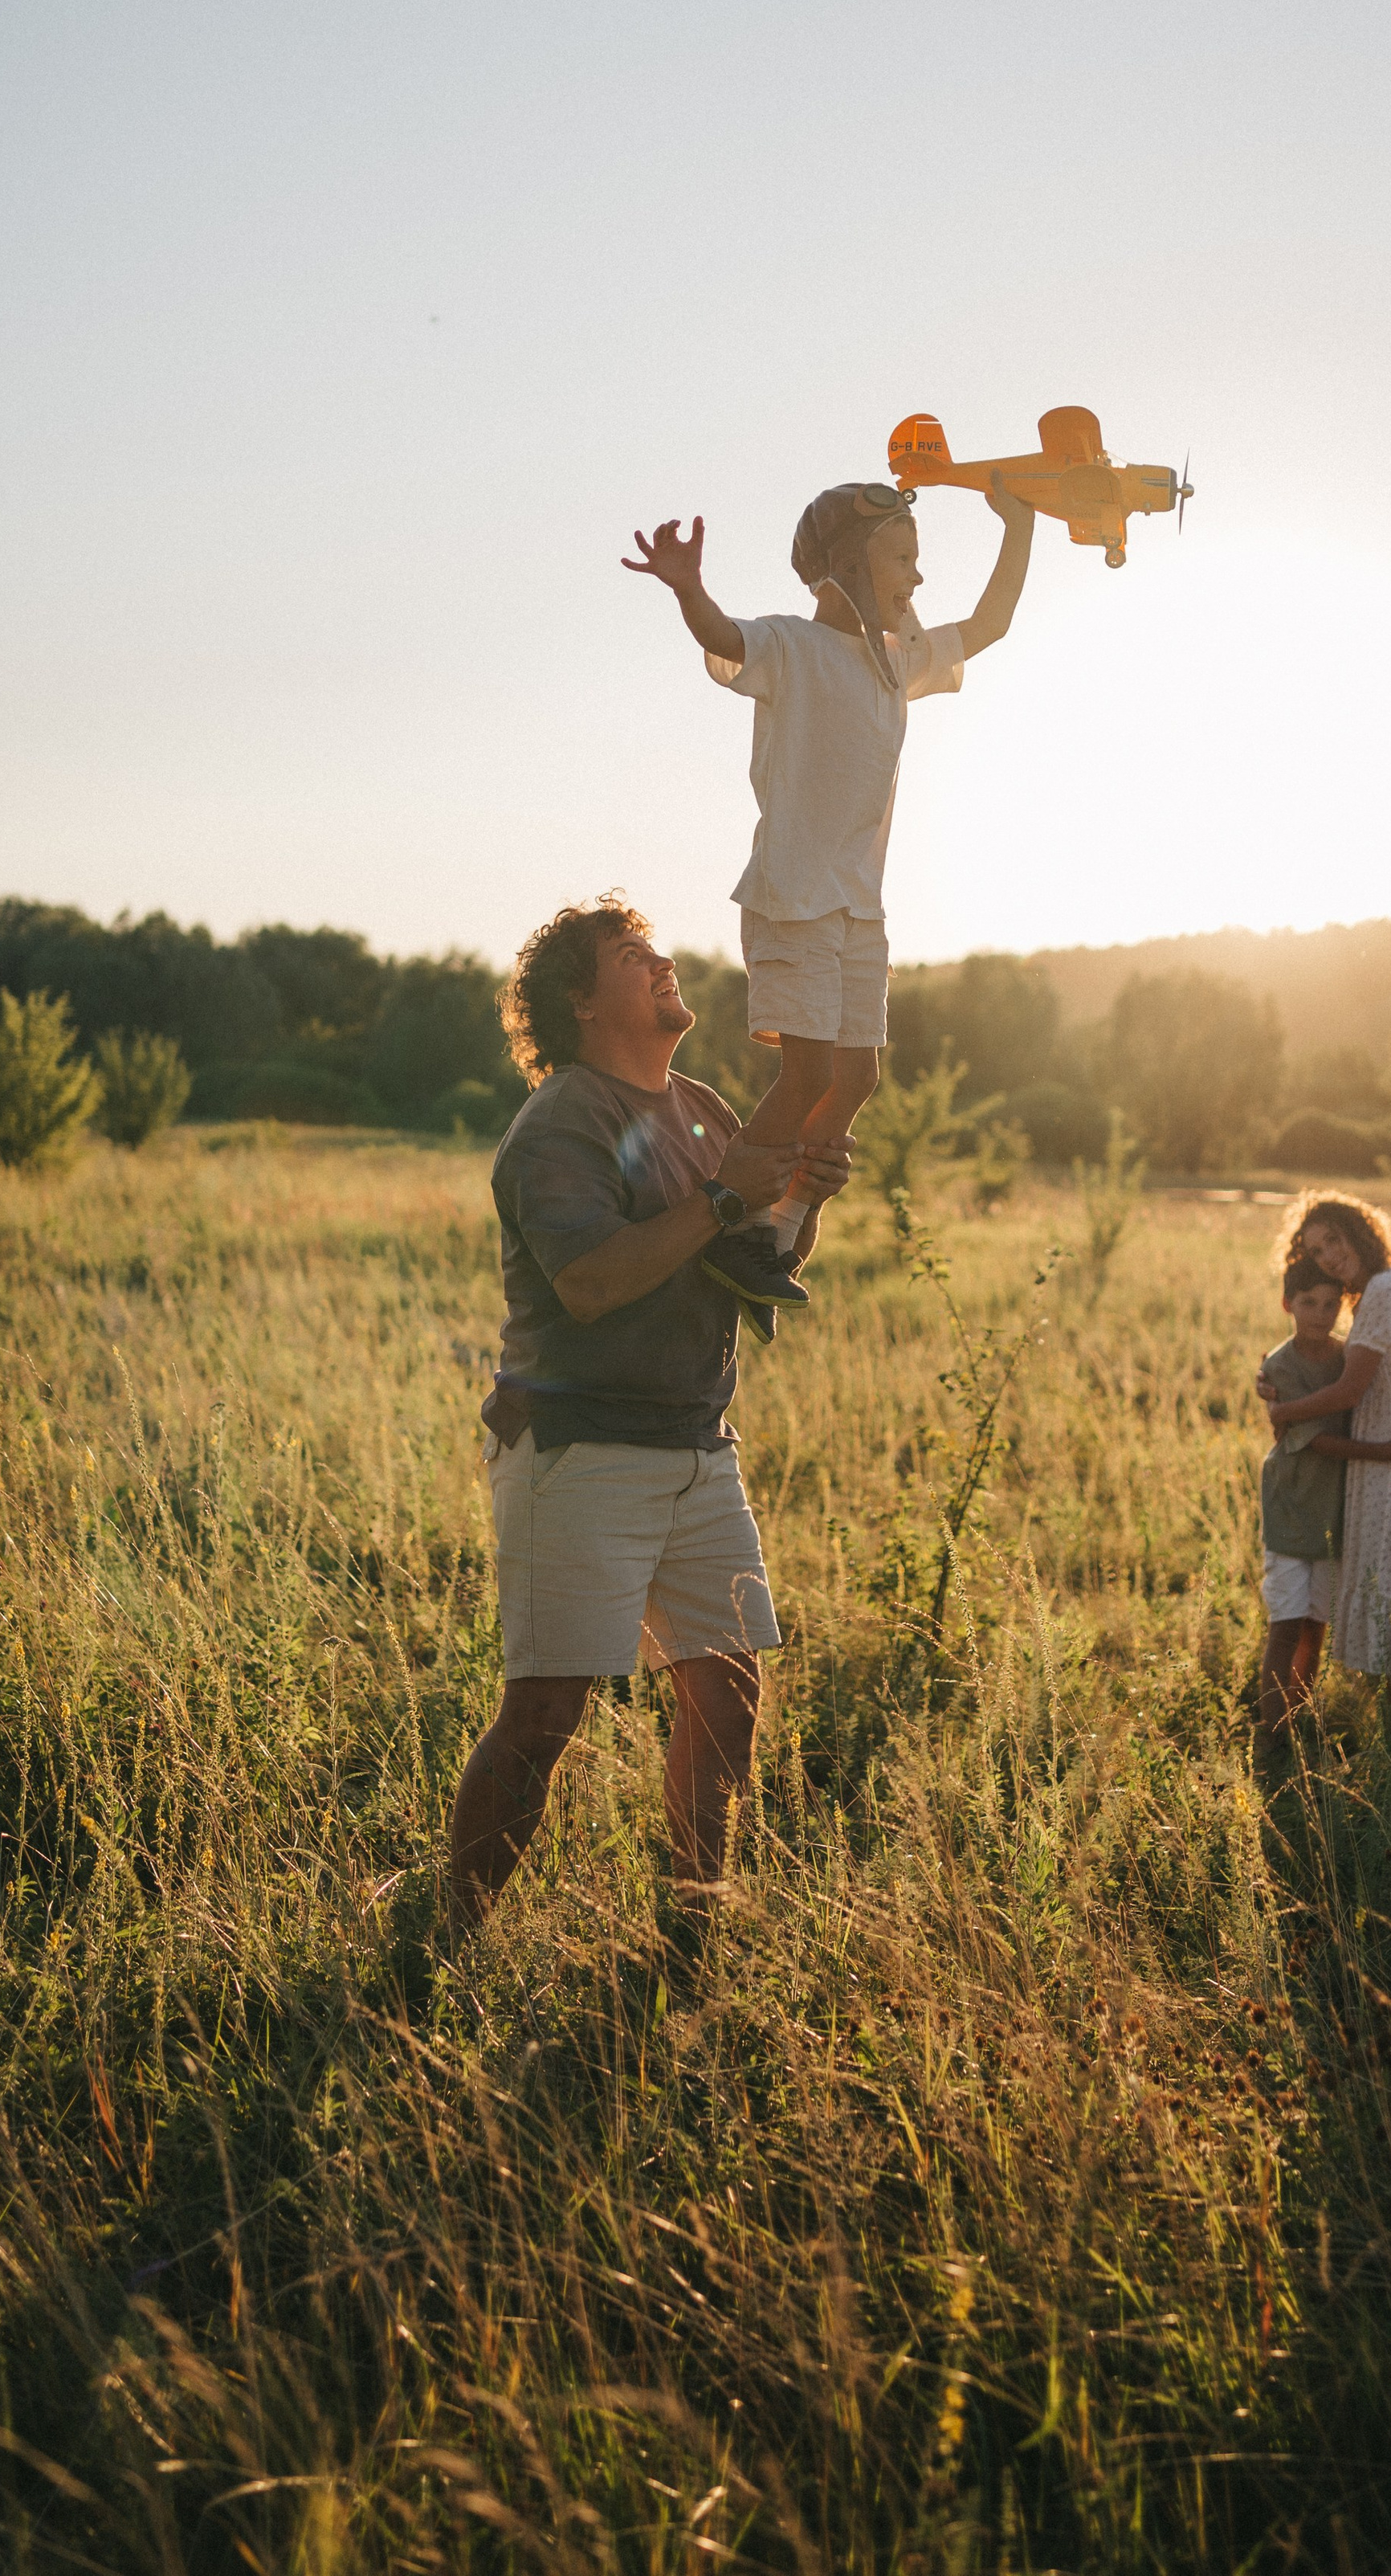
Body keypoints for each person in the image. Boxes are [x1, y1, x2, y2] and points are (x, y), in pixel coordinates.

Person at [449, 896, 851, 1937]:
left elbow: (754, 1264)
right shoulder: (560, 1124)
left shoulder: (704, 1107)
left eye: (653, 946)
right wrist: (720, 1199)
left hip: (698, 1448)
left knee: (728, 1697)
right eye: (631, 954)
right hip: (576, 1451)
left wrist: (801, 1198)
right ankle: (447, 1939)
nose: (661, 960)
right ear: (581, 1001)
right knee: (545, 1716)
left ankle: (693, 1926)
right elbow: (589, 1281)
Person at [623, 469, 1035, 1321]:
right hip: (793, 895)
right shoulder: (791, 647)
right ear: (846, 565)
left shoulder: (896, 663)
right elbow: (722, 636)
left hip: (858, 908)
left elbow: (992, 622)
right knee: (808, 1069)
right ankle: (725, 1218)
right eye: (902, 558)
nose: (918, 576)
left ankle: (776, 1234)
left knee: (855, 1077)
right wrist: (688, 587)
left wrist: (1019, 524)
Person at [1257, 1192, 1391, 1727]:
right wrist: (1277, 1379)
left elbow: (1349, 1391)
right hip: (1383, 1466)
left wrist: (1284, 1410)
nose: (1329, 1256)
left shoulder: (1384, 1291)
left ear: (1360, 1233)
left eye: (1334, 1240)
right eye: (1317, 1250)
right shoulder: (1378, 1295)